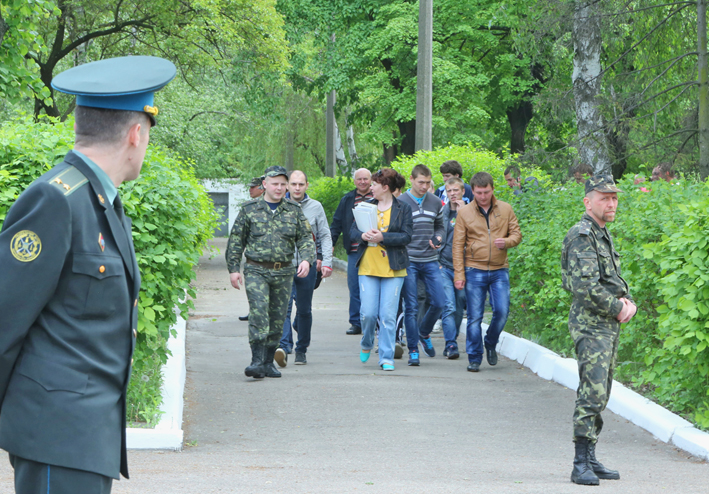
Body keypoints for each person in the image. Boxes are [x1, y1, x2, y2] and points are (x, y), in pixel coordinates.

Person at [0, 56, 175, 493]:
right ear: (137, 133)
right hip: (57, 434)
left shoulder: (101, 201)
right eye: (149, 134)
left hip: (84, 435)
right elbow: (4, 318)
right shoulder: (57, 199)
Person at [561, 175, 637, 485]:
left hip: (605, 326)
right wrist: (619, 307)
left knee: (601, 392)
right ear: (587, 202)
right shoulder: (583, 235)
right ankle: (580, 462)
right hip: (591, 325)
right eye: (604, 197)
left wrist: (625, 298)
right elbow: (584, 287)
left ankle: (591, 455)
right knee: (591, 393)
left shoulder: (601, 233)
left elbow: (608, 280)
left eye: (614, 198)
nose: (611, 203)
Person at [226, 165, 315, 379]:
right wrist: (233, 269)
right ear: (264, 184)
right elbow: (236, 241)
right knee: (258, 312)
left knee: (276, 318)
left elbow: (305, 238)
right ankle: (256, 360)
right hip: (257, 269)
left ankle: (267, 362)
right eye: (275, 183)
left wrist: (306, 260)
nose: (280, 188)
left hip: (284, 272)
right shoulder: (249, 209)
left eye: (283, 184)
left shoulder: (293, 210)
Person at [453, 172, 522, 372]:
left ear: (493, 189)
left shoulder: (505, 209)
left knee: (501, 311)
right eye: (479, 193)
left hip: (500, 269)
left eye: (486, 192)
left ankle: (490, 341)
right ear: (472, 191)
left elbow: (517, 234)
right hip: (474, 268)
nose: (483, 196)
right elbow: (457, 246)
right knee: (474, 316)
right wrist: (459, 274)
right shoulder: (464, 212)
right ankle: (474, 357)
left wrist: (507, 242)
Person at [350, 169, 412, 371]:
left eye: (375, 184)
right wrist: (363, 236)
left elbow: (406, 236)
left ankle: (387, 357)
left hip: (393, 269)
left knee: (388, 315)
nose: (371, 187)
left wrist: (383, 237)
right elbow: (352, 231)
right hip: (368, 267)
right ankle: (367, 342)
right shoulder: (365, 206)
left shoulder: (403, 209)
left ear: (385, 187)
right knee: (368, 313)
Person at [275, 170, 333, 367]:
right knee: (283, 308)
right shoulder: (279, 206)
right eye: (294, 184)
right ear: (287, 186)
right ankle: (283, 347)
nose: (297, 188)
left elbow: (324, 235)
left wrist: (326, 261)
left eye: (301, 184)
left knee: (304, 310)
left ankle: (302, 349)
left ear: (307, 185)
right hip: (283, 266)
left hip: (307, 266)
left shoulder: (316, 207)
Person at [398, 164, 446, 366]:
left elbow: (441, 226)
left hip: (430, 260)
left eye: (428, 182)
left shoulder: (436, 202)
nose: (425, 186)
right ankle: (412, 350)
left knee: (440, 302)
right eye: (421, 182)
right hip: (409, 260)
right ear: (411, 180)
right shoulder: (400, 202)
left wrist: (438, 237)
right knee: (411, 306)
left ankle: (424, 332)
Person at [330, 168, 373, 335]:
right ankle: (356, 322)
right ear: (354, 181)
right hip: (354, 251)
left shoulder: (377, 197)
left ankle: (372, 321)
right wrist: (330, 244)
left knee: (372, 286)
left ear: (371, 180)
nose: (362, 182)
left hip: (374, 251)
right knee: (354, 287)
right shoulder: (347, 199)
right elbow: (337, 224)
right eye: (359, 179)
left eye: (365, 179)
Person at [439, 177, 467, 359]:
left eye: (456, 190)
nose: (453, 194)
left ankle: (452, 337)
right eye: (449, 191)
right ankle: (451, 344)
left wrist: (463, 213)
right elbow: (437, 232)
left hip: (464, 268)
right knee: (448, 306)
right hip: (444, 265)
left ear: (463, 192)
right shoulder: (442, 211)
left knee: (459, 305)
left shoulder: (472, 211)